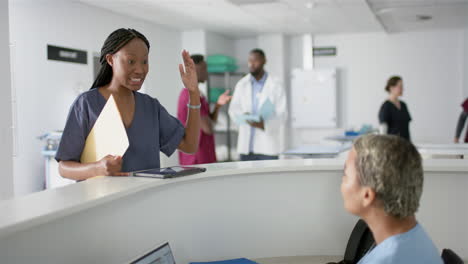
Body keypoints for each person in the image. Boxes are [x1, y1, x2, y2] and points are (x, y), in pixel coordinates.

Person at [55, 28, 201, 181]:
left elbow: (189, 145)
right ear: (111, 60)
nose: (140, 70)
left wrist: (193, 92)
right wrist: (97, 168)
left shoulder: (151, 107)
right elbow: (64, 167)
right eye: (131, 61)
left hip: (147, 201)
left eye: (144, 61)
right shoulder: (86, 104)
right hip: (105, 203)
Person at [341, 134, 443, 264]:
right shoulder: (414, 237)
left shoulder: (387, 259)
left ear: (367, 195)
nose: (342, 183)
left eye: (345, 175)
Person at [228, 49, 287, 161]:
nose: (252, 64)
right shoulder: (242, 84)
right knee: (246, 178)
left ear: (264, 61)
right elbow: (233, 109)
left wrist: (263, 124)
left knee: (268, 178)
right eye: (250, 60)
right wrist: (244, 116)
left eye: (256, 60)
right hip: (246, 147)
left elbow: (282, 114)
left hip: (268, 148)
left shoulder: (276, 85)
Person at [177, 54, 232, 165]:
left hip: (203, 154)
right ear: (194, 70)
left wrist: (217, 105)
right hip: (197, 157)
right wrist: (210, 123)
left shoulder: (198, 94)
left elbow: (210, 120)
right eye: (204, 69)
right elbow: (208, 128)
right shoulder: (191, 96)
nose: (207, 72)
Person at [378, 76, 412, 141]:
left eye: (402, 87)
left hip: (405, 144)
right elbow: (383, 130)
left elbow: (406, 129)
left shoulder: (403, 105)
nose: (402, 89)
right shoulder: (386, 106)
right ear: (391, 88)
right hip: (392, 145)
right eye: (400, 87)